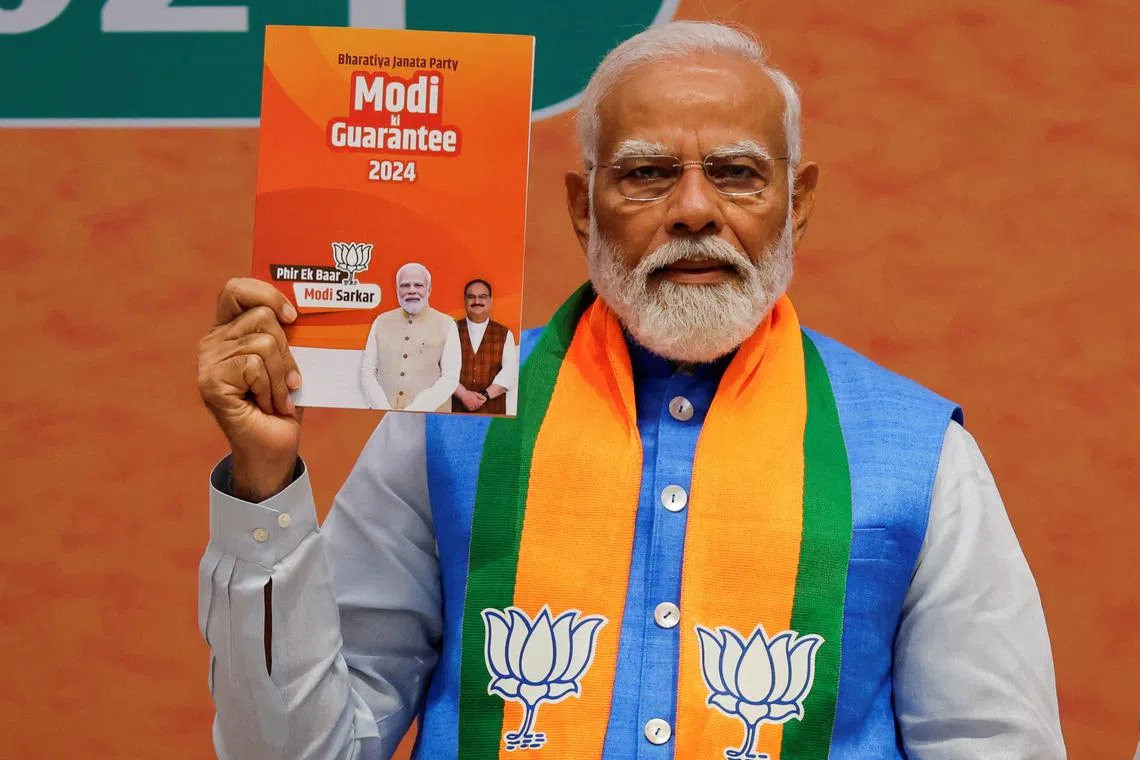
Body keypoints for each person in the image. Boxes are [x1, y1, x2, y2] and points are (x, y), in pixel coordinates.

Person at [195, 21, 1067, 760]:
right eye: (647, 173)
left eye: (736, 173)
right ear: (583, 206)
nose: (693, 209)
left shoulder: (924, 457)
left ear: (797, 202)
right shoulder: (447, 428)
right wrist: (265, 489)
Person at [358, 262, 459, 412]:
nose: (412, 290)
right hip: (384, 417)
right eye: (405, 285)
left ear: (429, 290)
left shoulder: (447, 324)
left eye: (418, 285)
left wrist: (415, 410)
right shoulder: (381, 321)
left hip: (429, 419)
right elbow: (367, 371)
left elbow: (450, 378)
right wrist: (384, 410)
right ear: (397, 290)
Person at [451, 278, 518, 415]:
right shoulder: (450, 330)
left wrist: (484, 397)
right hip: (455, 411)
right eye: (471, 297)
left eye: (482, 297)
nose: (477, 301)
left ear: (490, 301)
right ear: (465, 300)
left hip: (492, 413)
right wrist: (464, 395)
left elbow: (510, 373)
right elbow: (443, 371)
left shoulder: (504, 334)